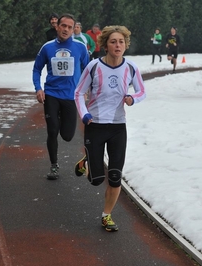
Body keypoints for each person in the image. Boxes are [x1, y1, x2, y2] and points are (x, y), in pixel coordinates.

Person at [74, 25, 146, 232]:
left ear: (125, 45)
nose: (118, 45)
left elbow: (142, 91)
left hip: (117, 127)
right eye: (113, 41)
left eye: (121, 42)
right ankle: (86, 162)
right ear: (105, 45)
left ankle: (107, 216)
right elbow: (79, 93)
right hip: (95, 125)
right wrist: (84, 114)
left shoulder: (131, 67)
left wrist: (133, 98)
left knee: (115, 176)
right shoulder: (94, 67)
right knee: (96, 180)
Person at [32, 14, 90, 180]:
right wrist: (38, 88)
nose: (65, 29)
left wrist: (87, 89)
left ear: (73, 29)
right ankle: (54, 165)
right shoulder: (47, 47)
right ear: (57, 26)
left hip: (71, 96)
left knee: (67, 135)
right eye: (63, 25)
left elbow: (88, 69)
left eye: (69, 27)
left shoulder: (79, 47)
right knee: (52, 130)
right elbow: (37, 69)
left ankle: (59, 118)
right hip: (51, 94)